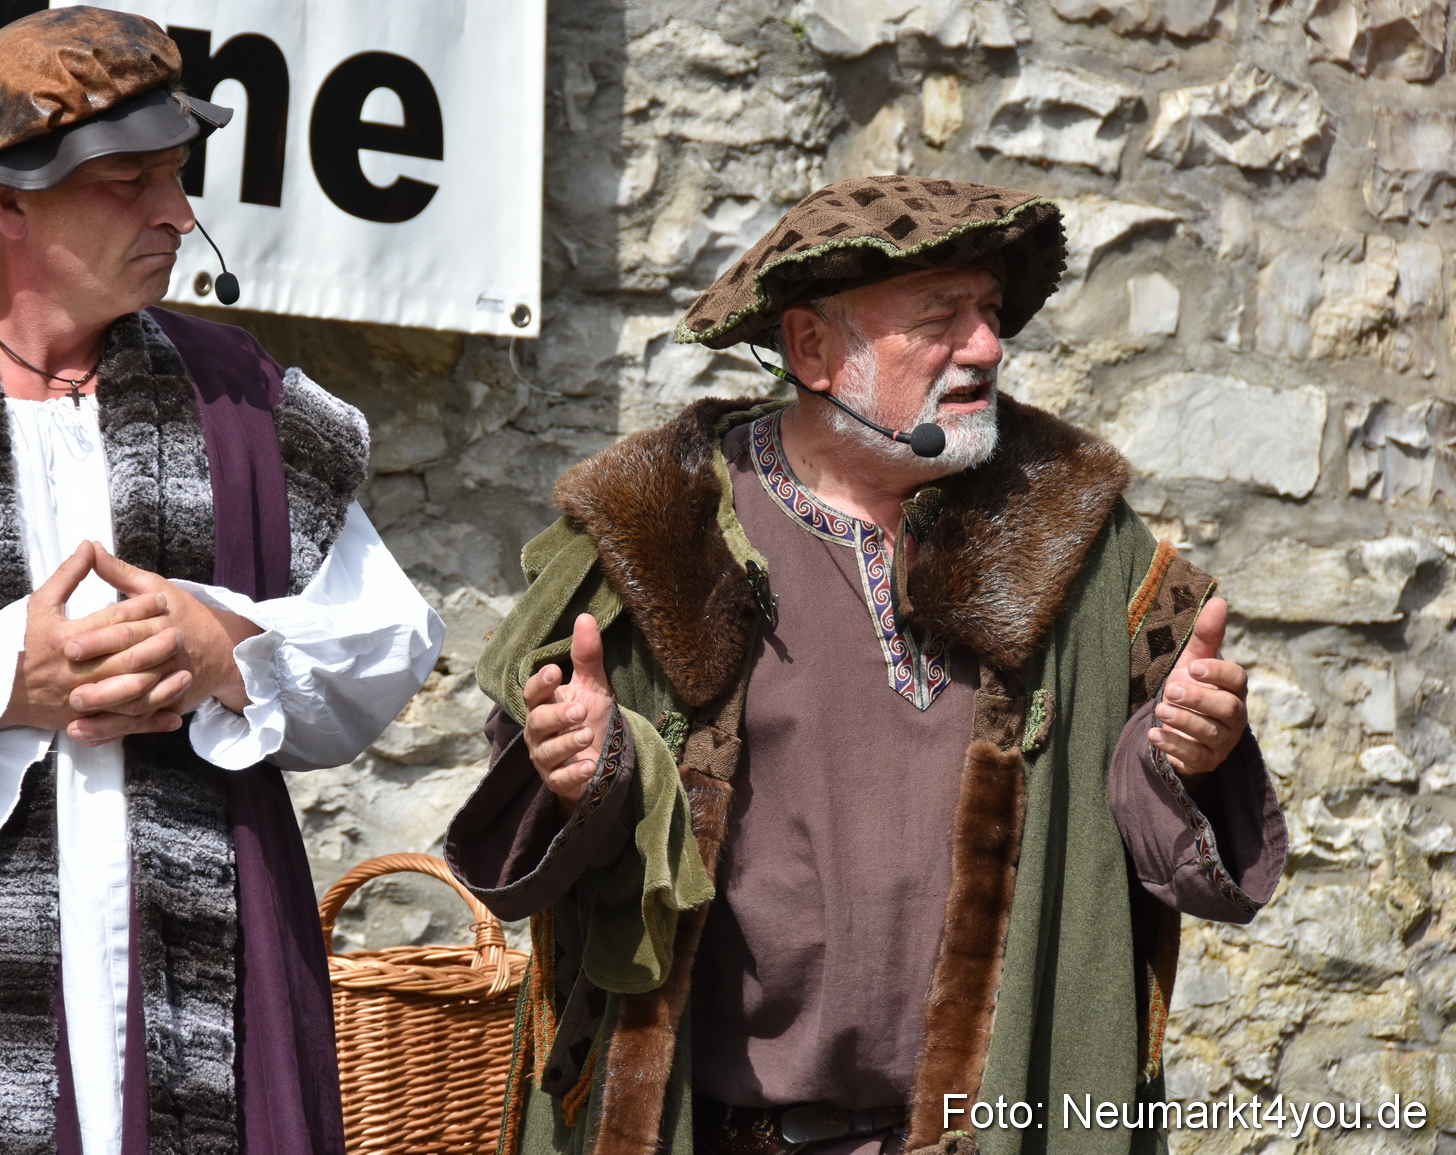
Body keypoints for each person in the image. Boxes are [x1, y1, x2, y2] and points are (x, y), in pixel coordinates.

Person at [0, 9, 443, 1154]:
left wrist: (230, 648)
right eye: (127, 182)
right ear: (7, 198)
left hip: (206, 1010)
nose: (177, 212)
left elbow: (386, 639)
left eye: (177, 173)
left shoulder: (243, 400)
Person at [446, 177, 1286, 1155]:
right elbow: (535, 835)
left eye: (988, 313)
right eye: (940, 318)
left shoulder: (1070, 530)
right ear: (810, 348)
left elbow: (1158, 831)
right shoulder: (661, 532)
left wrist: (1185, 748)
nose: (984, 347)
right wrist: (584, 768)